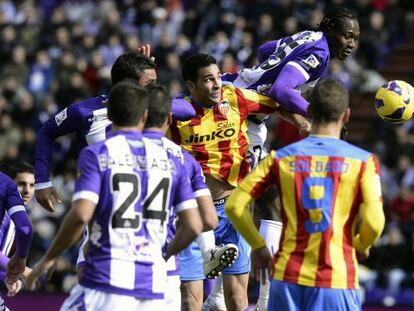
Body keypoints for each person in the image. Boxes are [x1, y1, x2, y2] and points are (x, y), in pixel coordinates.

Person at [34, 50, 233, 281]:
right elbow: (47, 131)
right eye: (151, 83)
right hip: (107, 216)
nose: (155, 88)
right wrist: (42, 181)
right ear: (129, 85)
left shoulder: (151, 110)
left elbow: (188, 110)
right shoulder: (85, 112)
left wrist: (149, 88)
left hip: (153, 219)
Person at [27, 81, 203, 310]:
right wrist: (164, 254)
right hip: (154, 286)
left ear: (110, 115)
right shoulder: (172, 160)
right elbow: (194, 225)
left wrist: (49, 257)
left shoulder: (98, 153)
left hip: (106, 280)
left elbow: (81, 215)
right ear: (144, 116)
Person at [225, 79, 385, 311]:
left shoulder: (280, 158)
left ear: (309, 111)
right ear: (347, 115)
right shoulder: (363, 162)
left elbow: (235, 205)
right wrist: (360, 245)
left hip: (287, 277)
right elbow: (375, 222)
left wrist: (258, 247)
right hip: (337, 279)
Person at [169, 53, 297, 311]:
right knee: (190, 298)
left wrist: (302, 119)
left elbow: (275, 103)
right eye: (207, 79)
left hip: (232, 210)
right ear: (190, 86)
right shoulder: (176, 116)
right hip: (192, 214)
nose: (217, 84)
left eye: (218, 76)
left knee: (238, 298)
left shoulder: (235, 97)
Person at [143, 83, 237, 310]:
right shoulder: (184, 159)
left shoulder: (112, 149)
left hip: (119, 262)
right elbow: (206, 221)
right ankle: (209, 251)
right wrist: (168, 251)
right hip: (164, 264)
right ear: (169, 118)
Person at [0, 170, 33, 305]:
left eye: (32, 185)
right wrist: (22, 268)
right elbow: (25, 229)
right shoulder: (6, 216)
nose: (27, 191)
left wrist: (6, 277)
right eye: (21, 184)